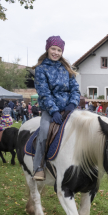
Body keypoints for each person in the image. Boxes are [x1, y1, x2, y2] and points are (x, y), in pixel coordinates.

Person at [32, 35, 80, 181]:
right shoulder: (41, 69)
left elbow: (75, 89)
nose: (56, 52)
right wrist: (53, 111)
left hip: (68, 109)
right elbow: (44, 93)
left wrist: (72, 104)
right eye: (53, 48)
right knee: (45, 132)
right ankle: (38, 166)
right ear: (48, 49)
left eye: (59, 50)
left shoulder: (67, 69)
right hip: (50, 110)